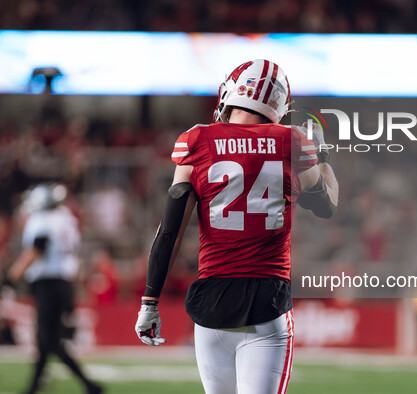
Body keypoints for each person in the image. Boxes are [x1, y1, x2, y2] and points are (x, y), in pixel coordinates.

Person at [134, 59, 338, 393]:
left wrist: (150, 302)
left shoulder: (196, 140)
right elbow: (327, 206)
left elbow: (169, 232)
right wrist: (325, 159)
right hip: (266, 306)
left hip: (212, 308)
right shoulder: (293, 141)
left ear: (232, 93)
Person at [8, 184, 103, 394]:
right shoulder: (66, 218)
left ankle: (89, 384)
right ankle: (34, 387)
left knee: (48, 339)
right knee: (46, 340)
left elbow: (37, 250)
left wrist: (11, 275)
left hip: (48, 283)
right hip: (63, 283)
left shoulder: (42, 220)